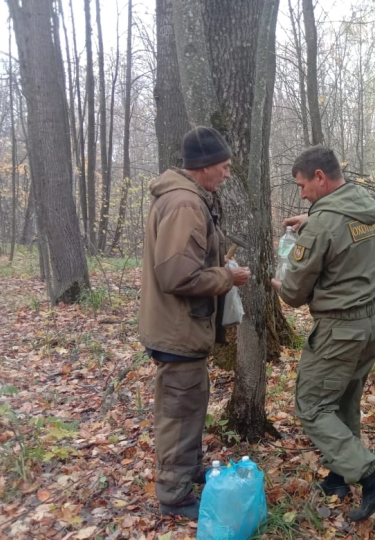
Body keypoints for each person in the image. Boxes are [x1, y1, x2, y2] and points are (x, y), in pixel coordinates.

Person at [271, 145, 375, 522]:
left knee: (311, 406)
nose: (302, 193)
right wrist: (312, 219)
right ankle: (341, 474)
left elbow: (293, 294)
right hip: (368, 324)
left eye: (303, 185)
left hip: (338, 329)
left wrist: (279, 283)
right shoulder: (363, 203)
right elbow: (338, 231)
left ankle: (372, 479)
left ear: (320, 178)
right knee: (344, 402)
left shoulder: (324, 222)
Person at [139, 126, 251, 520]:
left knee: (188, 408)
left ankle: (186, 471)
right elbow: (176, 277)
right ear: (203, 167)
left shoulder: (184, 198)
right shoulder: (185, 204)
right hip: (178, 330)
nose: (226, 173)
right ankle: (173, 494)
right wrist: (227, 278)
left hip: (181, 329)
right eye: (223, 166)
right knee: (179, 413)